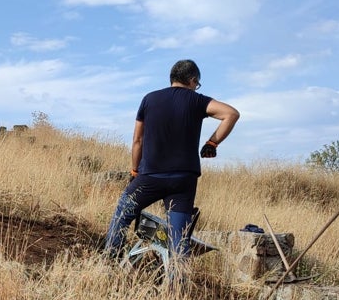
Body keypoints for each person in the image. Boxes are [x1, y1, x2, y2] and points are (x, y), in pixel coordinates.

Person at [101, 59, 240, 283]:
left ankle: (108, 265)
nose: (197, 87)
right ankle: (177, 291)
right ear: (193, 80)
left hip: (150, 177)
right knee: (179, 238)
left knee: (122, 214)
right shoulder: (197, 100)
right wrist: (212, 143)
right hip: (183, 180)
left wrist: (135, 171)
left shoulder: (150, 99)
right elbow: (231, 114)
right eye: (197, 84)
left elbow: (137, 140)